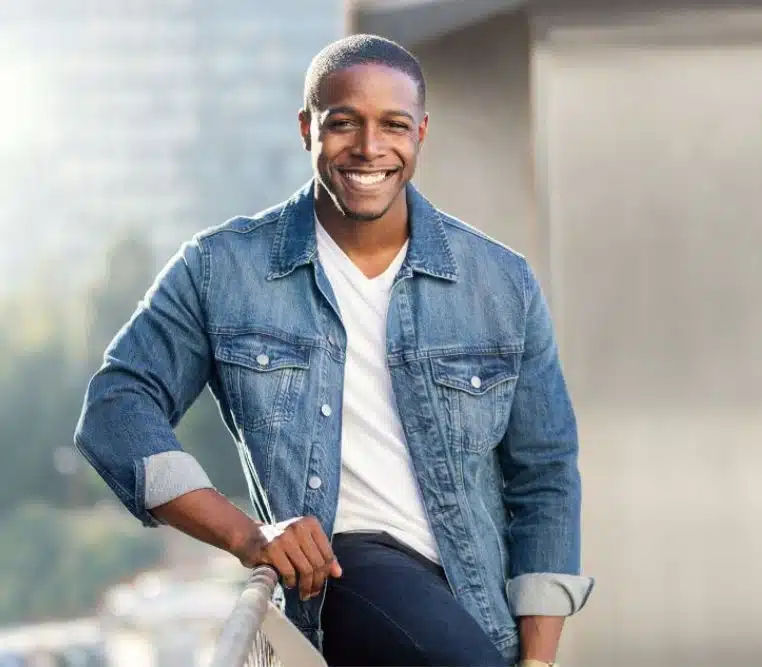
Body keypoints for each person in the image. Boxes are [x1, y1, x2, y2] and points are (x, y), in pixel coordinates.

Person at [74, 34, 593, 667]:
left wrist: (537, 660)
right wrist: (247, 533)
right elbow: (115, 409)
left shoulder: (501, 283)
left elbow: (545, 477)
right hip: (345, 577)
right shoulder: (222, 270)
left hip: (476, 618)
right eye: (344, 123)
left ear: (422, 133)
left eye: (393, 125)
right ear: (306, 128)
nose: (370, 148)